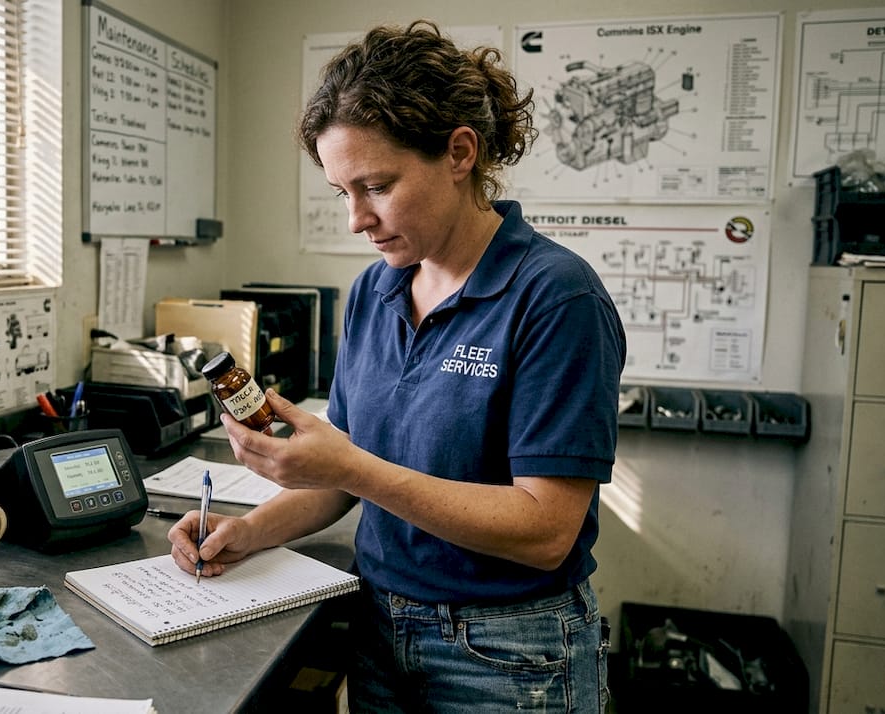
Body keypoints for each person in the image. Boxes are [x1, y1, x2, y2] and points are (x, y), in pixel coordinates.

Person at [168, 20, 625, 713]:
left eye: (376, 185)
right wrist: (248, 531)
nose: (357, 219)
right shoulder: (374, 293)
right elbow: (346, 478)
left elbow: (544, 530)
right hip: (381, 627)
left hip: (509, 653)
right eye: (341, 192)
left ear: (460, 152)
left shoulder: (555, 296)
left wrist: (349, 466)